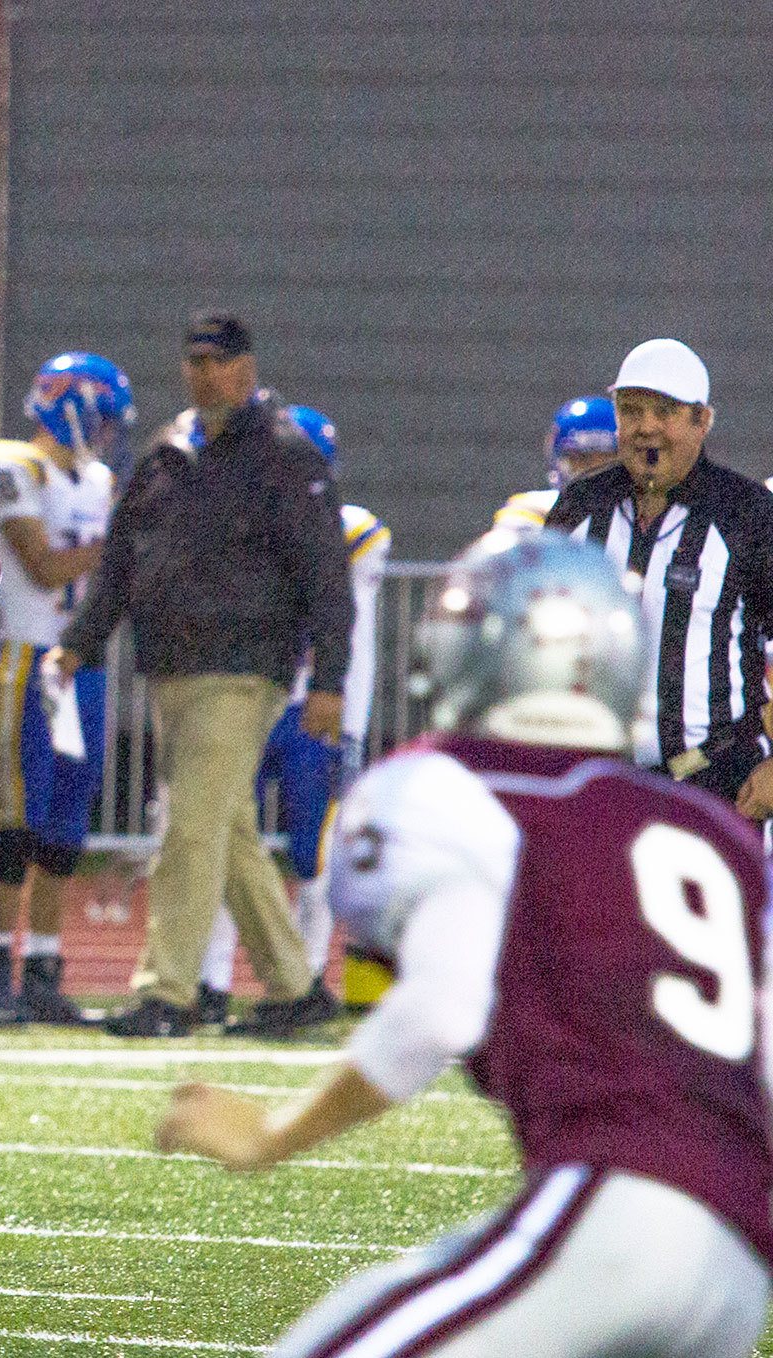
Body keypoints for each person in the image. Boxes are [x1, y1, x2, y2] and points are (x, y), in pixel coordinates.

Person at [157, 532, 771, 1358]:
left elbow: (441, 1012)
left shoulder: (442, 784)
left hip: (613, 1209)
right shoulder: (710, 828)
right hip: (737, 1268)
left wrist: (273, 1135)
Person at [52, 311, 352, 1038]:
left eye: (218, 360)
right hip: (173, 668)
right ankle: (294, 987)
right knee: (230, 832)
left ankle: (169, 994)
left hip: (244, 667)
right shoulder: (166, 453)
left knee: (188, 828)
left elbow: (325, 574)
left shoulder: (285, 455)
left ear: (247, 369)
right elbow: (122, 561)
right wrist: (81, 642)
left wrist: (330, 680)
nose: (205, 371)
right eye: (194, 359)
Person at [195, 405, 387, 1029]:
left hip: (315, 713)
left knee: (316, 857)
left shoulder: (353, 530)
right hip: (254, 702)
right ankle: (210, 981)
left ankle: (303, 982)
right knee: (227, 842)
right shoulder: (238, 523)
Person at [0, 351, 125, 1025]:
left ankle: (46, 971)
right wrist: (129, 547)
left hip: (79, 665)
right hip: (26, 660)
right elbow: (45, 565)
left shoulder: (100, 479)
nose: (110, 432)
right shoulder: (7, 465)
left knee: (65, 829)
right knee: (19, 827)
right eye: (105, 417)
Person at [545, 339, 773, 816]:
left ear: (702, 420)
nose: (646, 427)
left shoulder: (747, 514)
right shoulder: (581, 507)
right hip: (592, 784)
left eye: (665, 411)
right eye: (631, 411)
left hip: (714, 782)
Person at [492, 396, 617, 533]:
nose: (594, 472)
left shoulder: (637, 516)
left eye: (607, 462)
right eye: (583, 460)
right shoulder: (532, 512)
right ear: (559, 461)